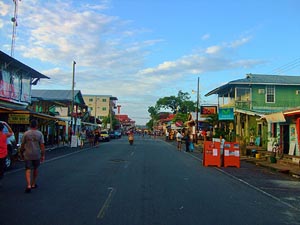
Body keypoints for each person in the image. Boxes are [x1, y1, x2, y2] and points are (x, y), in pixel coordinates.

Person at [20, 119, 45, 193]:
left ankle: (28, 185)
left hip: (27, 154)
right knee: (35, 168)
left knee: (28, 169)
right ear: (37, 126)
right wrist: (43, 155)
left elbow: (22, 144)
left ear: (30, 125)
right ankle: (33, 183)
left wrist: (21, 152)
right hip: (36, 154)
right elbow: (42, 145)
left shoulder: (26, 133)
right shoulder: (40, 134)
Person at [0, 122, 13, 186]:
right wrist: (6, 124)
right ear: (2, 129)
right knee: (1, 169)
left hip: (3, 155)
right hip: (2, 155)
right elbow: (11, 132)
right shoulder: (4, 135)